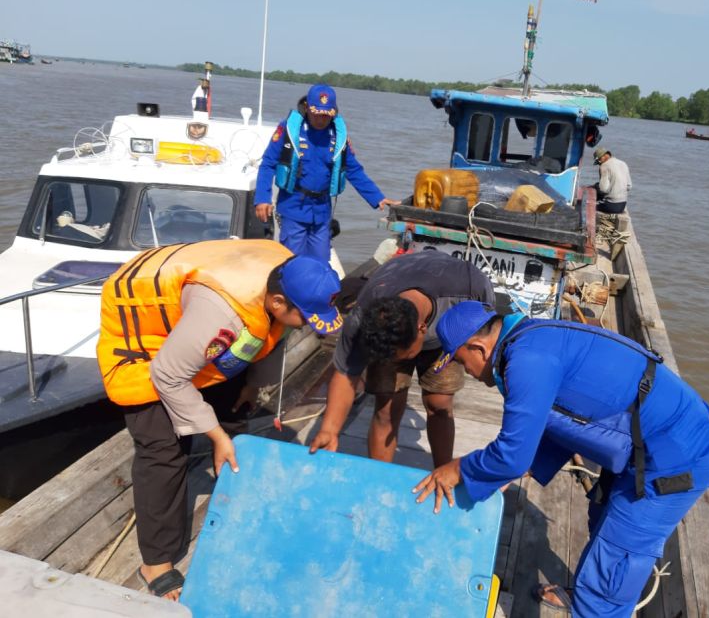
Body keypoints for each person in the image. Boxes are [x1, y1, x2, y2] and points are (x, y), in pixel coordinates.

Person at [413, 301, 709, 617]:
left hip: (677, 456)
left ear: (478, 348)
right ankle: (586, 598)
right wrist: (529, 466)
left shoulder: (527, 361)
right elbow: (564, 415)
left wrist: (459, 468)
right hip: (644, 443)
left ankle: (597, 607)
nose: (466, 371)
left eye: (461, 362)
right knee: (600, 515)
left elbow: (511, 454)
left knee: (611, 570)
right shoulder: (531, 337)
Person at [96, 239, 343, 602]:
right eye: (306, 316)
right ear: (277, 302)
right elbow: (166, 374)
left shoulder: (289, 277)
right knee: (162, 446)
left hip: (195, 316)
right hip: (139, 325)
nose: (312, 325)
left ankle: (228, 461)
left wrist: (254, 385)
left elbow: (272, 335)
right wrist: (215, 435)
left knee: (232, 389)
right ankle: (156, 562)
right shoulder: (222, 313)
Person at [309, 251, 495, 468]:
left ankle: (442, 471)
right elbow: (345, 372)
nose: (394, 362)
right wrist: (329, 430)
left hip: (451, 331)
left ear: (422, 329)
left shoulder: (470, 290)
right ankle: (379, 475)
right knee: (386, 409)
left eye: (400, 357)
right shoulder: (364, 316)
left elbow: (485, 335)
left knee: (439, 404)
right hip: (395, 305)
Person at [254, 84, 400, 262]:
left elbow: (353, 170)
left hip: (322, 211)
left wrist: (378, 198)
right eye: (317, 113)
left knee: (321, 262)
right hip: (294, 207)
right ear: (307, 107)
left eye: (326, 115)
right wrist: (262, 198)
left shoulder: (338, 136)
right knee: (293, 263)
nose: (321, 120)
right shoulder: (288, 130)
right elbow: (268, 164)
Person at [592, 146, 632, 214]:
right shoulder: (623, 163)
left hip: (611, 206)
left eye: (598, 162)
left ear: (602, 158)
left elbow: (603, 189)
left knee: (590, 202)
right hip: (622, 205)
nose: (599, 164)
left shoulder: (604, 166)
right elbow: (629, 186)